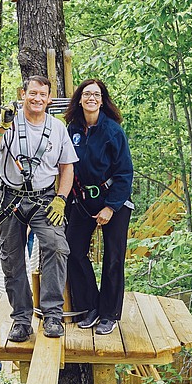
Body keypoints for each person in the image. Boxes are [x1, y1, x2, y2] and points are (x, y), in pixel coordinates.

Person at [0, 75, 78, 341]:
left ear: (48, 99)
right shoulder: (8, 120)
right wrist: (2, 127)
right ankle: (22, 319)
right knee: (12, 258)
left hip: (44, 198)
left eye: (42, 95)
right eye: (32, 93)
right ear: (23, 93)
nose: (37, 99)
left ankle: (52, 316)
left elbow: (67, 166)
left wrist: (61, 197)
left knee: (56, 247)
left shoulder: (57, 128)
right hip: (9, 198)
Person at [64, 78, 134, 336]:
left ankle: (109, 314)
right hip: (82, 200)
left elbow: (125, 172)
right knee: (72, 250)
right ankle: (90, 306)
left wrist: (111, 208)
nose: (91, 98)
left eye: (96, 94)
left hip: (113, 198)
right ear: (80, 99)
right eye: (86, 94)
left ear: (102, 100)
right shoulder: (72, 130)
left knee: (114, 257)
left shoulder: (113, 131)